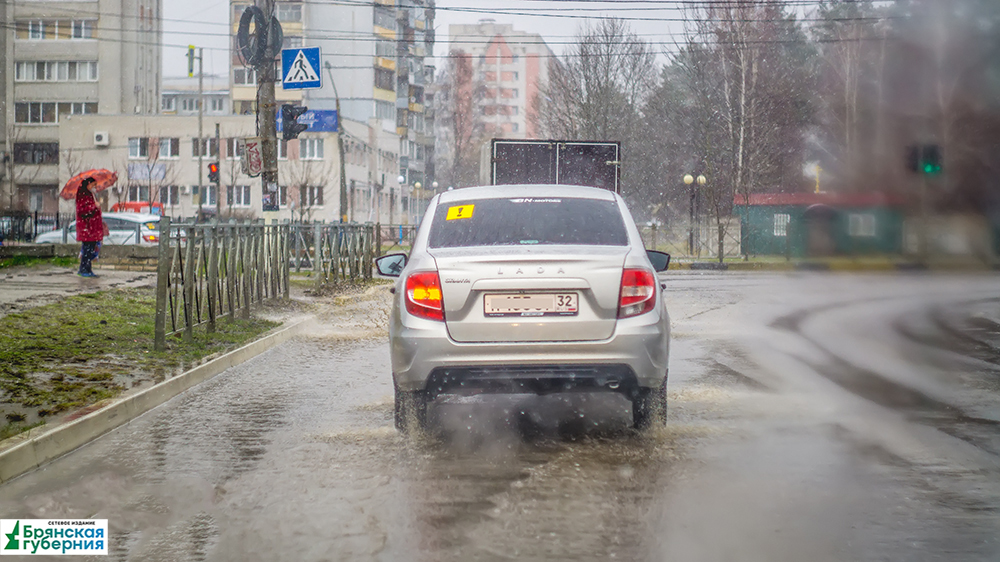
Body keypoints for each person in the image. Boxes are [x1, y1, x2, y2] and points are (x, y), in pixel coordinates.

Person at [75, 177, 105, 278]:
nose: (95, 187)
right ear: (88, 184)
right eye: (93, 185)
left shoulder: (91, 195)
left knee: (90, 249)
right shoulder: (83, 195)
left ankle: (87, 269)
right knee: (87, 249)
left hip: (92, 228)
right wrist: (94, 206)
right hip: (87, 228)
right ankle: (84, 269)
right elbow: (82, 211)